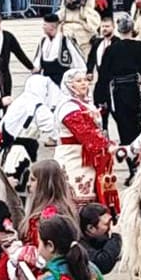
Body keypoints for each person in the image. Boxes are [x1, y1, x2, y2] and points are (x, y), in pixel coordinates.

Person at [54, 70, 117, 209]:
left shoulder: (86, 104)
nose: (84, 83)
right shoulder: (68, 107)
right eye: (78, 81)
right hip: (74, 158)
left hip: (88, 159)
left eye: (85, 80)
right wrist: (107, 146)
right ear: (69, 85)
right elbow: (85, 134)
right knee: (78, 197)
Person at [95, 13, 141, 164]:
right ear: (133, 29)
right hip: (138, 90)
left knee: (124, 128)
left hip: (118, 92)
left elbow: (104, 75)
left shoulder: (112, 49)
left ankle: (132, 165)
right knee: (139, 127)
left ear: (118, 30)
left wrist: (100, 98)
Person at [0, 75, 57, 192]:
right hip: (25, 149)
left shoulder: (19, 101)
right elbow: (52, 126)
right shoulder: (39, 106)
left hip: (8, 147)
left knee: (7, 183)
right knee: (23, 184)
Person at [0, 10, 35, 97]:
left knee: (7, 97)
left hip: (4, 74)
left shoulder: (8, 36)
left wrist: (31, 67)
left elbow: (19, 53)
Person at [33, 14, 86, 91]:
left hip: (62, 84)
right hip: (47, 84)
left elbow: (78, 59)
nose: (43, 27)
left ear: (52, 26)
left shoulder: (66, 41)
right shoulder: (43, 41)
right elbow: (37, 61)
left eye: (45, 25)